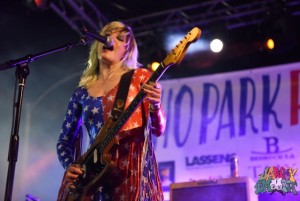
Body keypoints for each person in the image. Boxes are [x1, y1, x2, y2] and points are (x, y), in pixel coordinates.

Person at [56, 21, 166, 201]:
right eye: (107, 34)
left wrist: (156, 105)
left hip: (131, 175)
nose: (110, 40)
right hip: (95, 178)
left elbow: (158, 129)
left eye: (119, 38)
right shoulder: (81, 93)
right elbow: (64, 141)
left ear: (127, 50)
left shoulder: (140, 77)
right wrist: (70, 166)